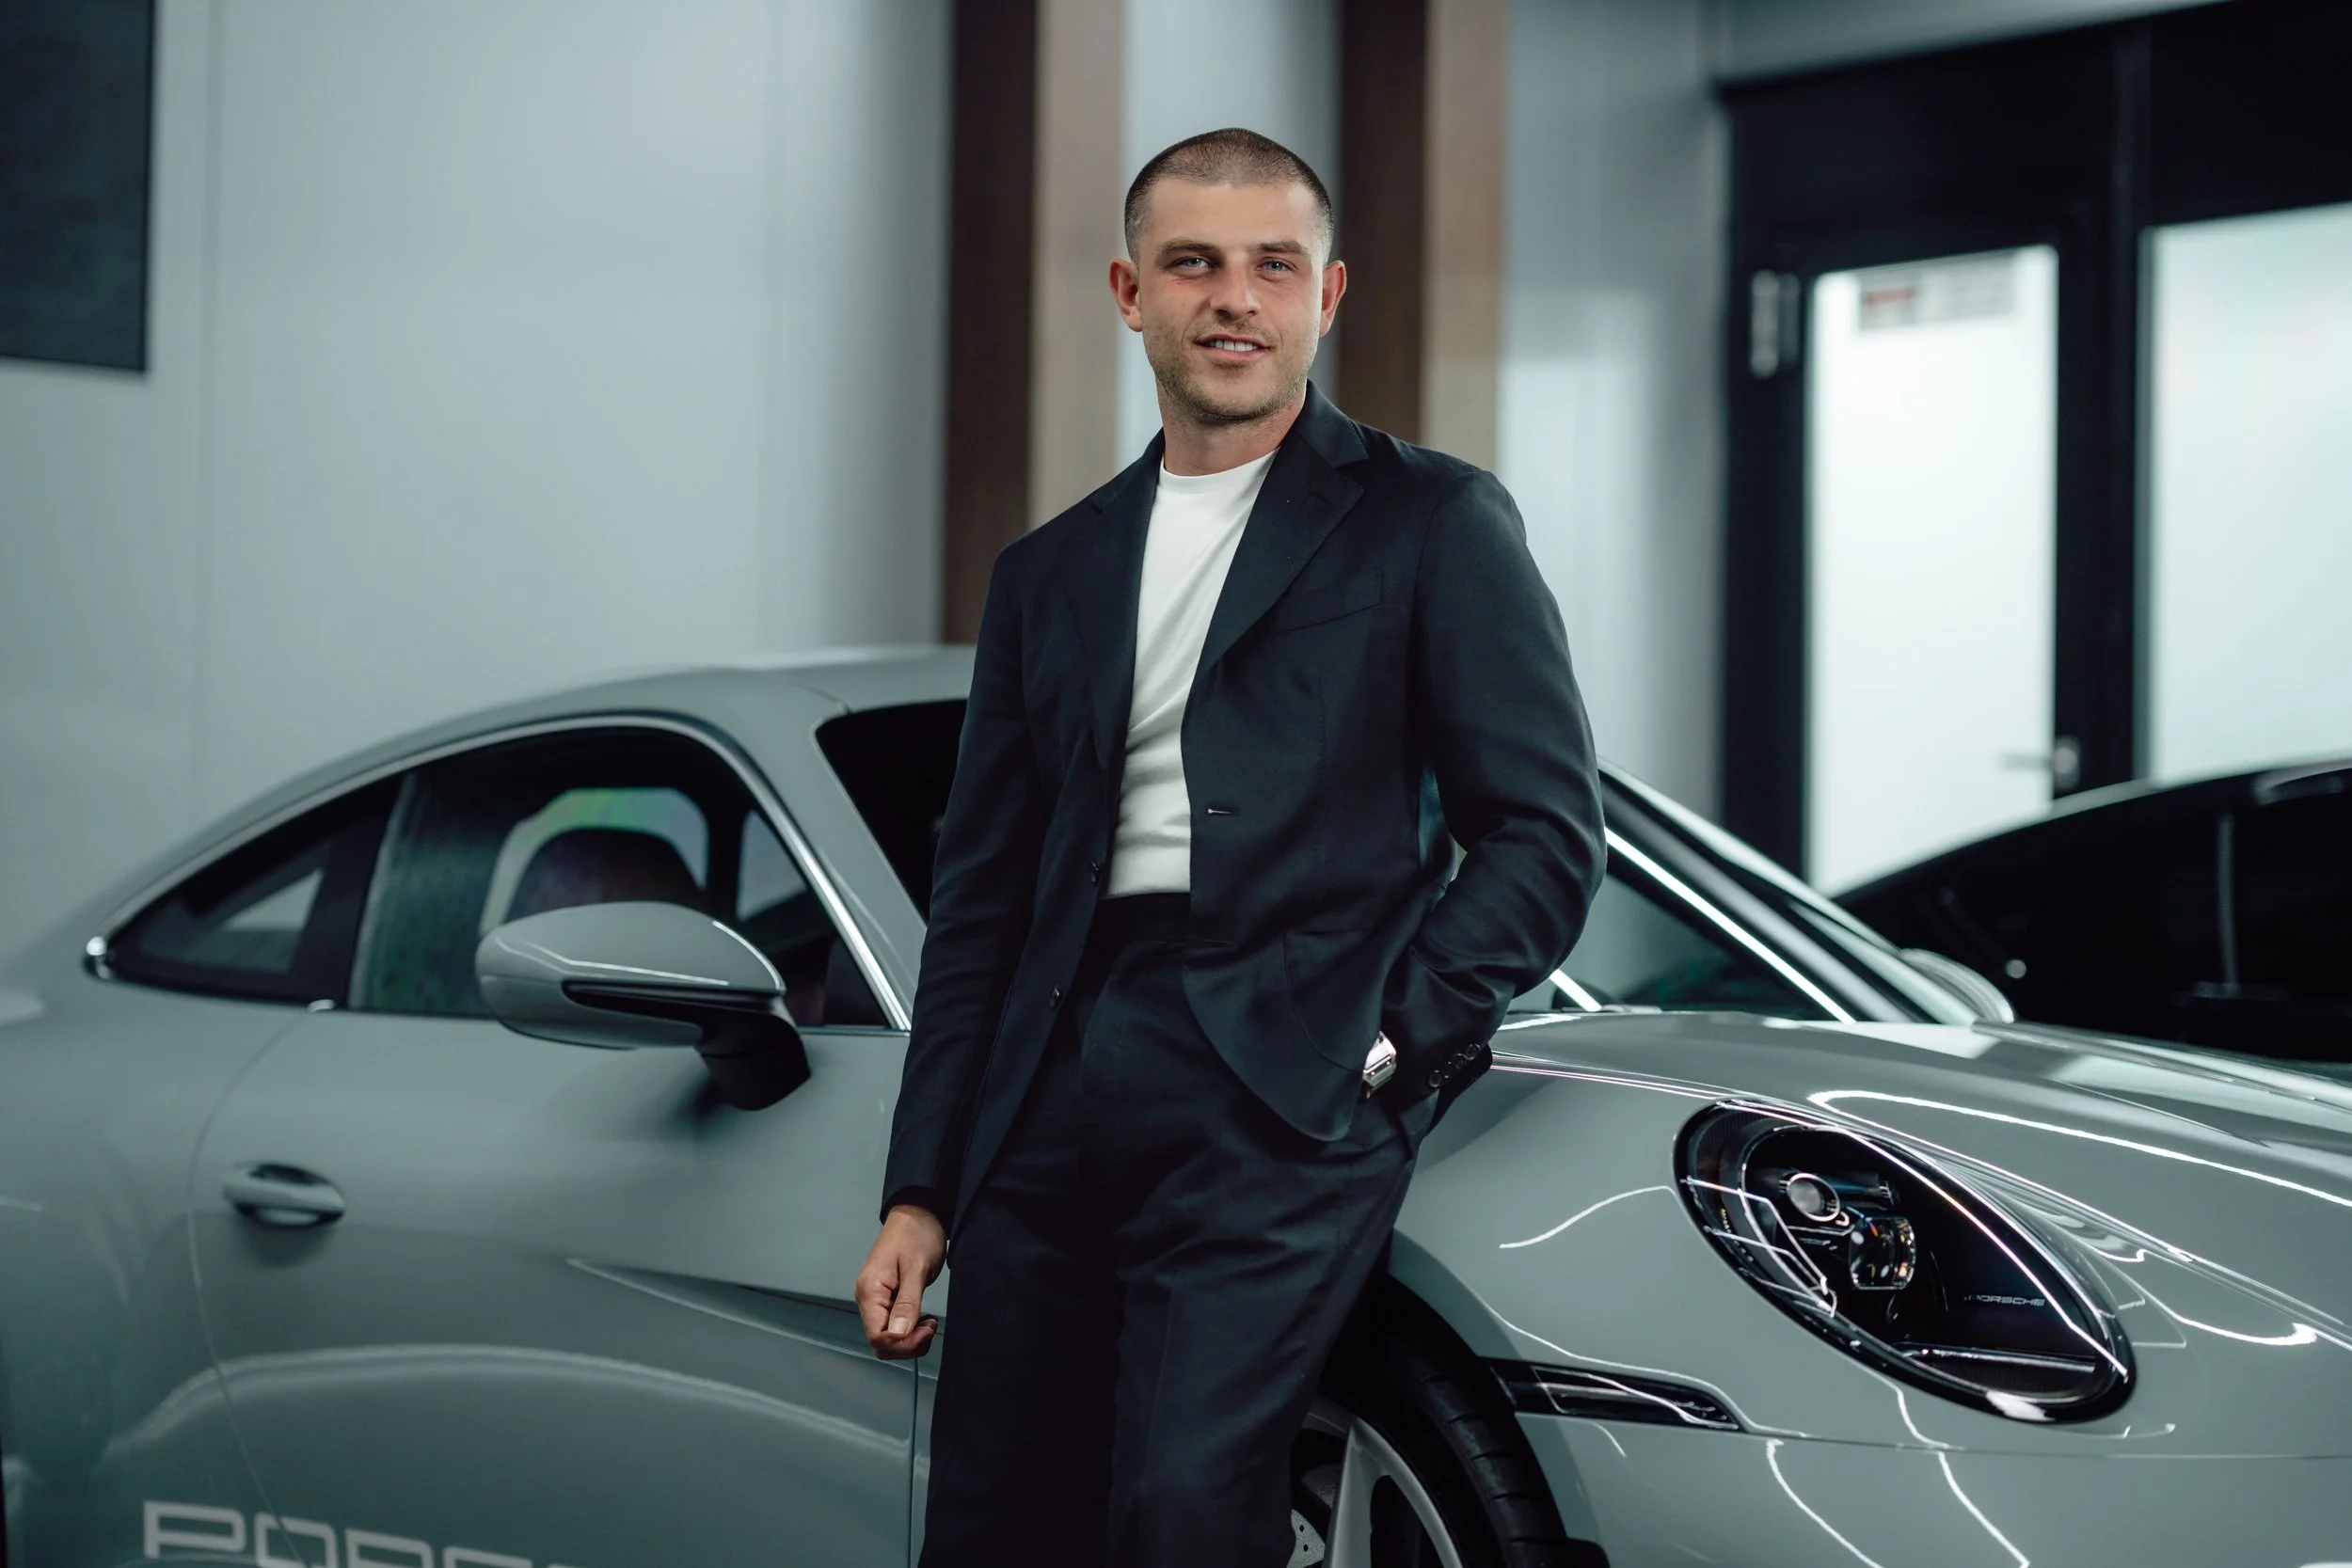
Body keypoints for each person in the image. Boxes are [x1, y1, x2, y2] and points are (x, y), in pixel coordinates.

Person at [853, 126, 1604, 1566]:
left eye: (1273, 265)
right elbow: (982, 904)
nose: (1234, 298)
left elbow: (1548, 833)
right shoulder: (1047, 572)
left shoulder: (1431, 522)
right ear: (1132, 293)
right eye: (1194, 263)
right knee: (1000, 1520)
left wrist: (1390, 1040)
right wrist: (922, 1185)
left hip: (1282, 1075)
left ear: (1329, 296)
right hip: (1052, 1079)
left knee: (1186, 1513)